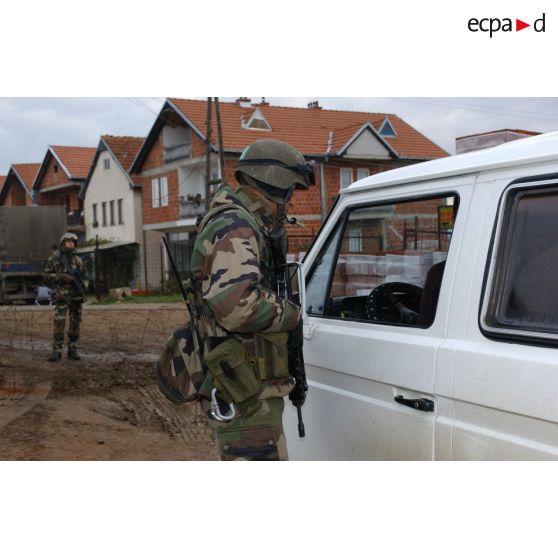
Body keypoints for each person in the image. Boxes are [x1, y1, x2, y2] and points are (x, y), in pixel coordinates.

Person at [190, 139, 314, 460]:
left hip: (249, 384)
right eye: (290, 193)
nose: (288, 205)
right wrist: (291, 314)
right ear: (277, 185)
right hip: (245, 393)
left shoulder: (242, 222)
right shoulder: (235, 226)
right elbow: (237, 308)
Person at [43, 232, 88, 362]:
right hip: (61, 296)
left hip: (76, 296)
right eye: (68, 241)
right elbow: (46, 277)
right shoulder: (54, 258)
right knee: (59, 323)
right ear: (63, 243)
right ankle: (56, 352)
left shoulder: (77, 260)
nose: (70, 244)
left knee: (75, 324)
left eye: (72, 242)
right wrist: (61, 277)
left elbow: (85, 277)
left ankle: (72, 350)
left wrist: (84, 285)